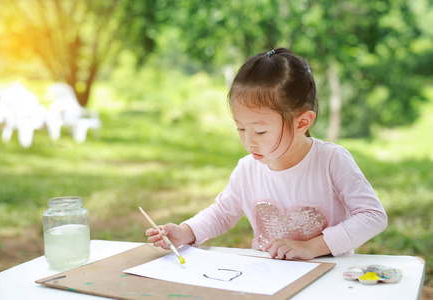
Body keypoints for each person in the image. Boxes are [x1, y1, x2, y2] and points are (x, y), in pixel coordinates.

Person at [145, 47, 387, 260]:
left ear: (302, 122)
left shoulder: (331, 160)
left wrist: (313, 246)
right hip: (268, 278)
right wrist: (186, 231)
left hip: (328, 276)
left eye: (260, 131)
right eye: (240, 128)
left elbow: (372, 216)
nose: (248, 141)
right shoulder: (247, 169)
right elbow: (222, 212)